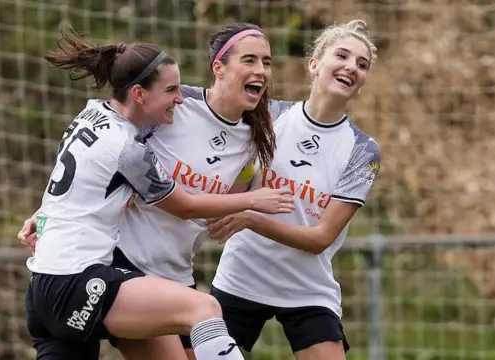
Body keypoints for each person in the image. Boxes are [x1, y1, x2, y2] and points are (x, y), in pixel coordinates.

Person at [24, 26, 294, 360]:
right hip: (108, 270)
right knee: (205, 308)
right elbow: (185, 205)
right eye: (249, 59)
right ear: (218, 67)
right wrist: (255, 201)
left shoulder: (92, 113)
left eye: (266, 61)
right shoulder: (144, 133)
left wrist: (44, 212)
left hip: (73, 277)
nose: (177, 97)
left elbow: (79, 174)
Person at [206, 20, 381, 360]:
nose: (351, 67)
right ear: (314, 64)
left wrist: (251, 219)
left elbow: (320, 238)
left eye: (362, 65)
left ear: (361, 83)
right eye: (342, 55)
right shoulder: (267, 116)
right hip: (242, 277)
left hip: (307, 289)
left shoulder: (363, 151)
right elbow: (233, 192)